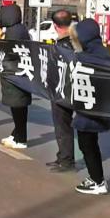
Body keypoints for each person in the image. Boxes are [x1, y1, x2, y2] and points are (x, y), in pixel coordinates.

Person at [69, 19, 110, 195]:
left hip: (93, 107)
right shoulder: (96, 51)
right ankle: (96, 178)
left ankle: (97, 181)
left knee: (87, 144)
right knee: (88, 144)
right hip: (90, 105)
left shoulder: (95, 55)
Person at [0, 4, 32, 149]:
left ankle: (21, 138)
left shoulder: (14, 32)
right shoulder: (20, 29)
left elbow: (8, 52)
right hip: (19, 73)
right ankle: (16, 134)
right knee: (18, 106)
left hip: (15, 74)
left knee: (18, 107)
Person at [47, 10, 76, 172]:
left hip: (62, 90)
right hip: (73, 89)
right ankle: (62, 156)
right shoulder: (77, 41)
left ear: (55, 26)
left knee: (62, 125)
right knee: (64, 125)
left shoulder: (63, 45)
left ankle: (66, 159)